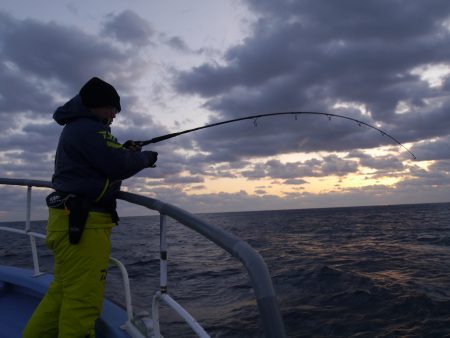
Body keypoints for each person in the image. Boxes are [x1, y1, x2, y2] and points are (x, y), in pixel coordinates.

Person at [23, 77, 158, 337]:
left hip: (67, 222)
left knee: (61, 293)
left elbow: (104, 159)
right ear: (98, 105)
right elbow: (118, 165)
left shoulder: (78, 128)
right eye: (113, 109)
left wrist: (125, 150)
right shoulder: (89, 129)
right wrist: (145, 158)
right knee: (82, 305)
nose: (115, 115)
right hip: (84, 227)